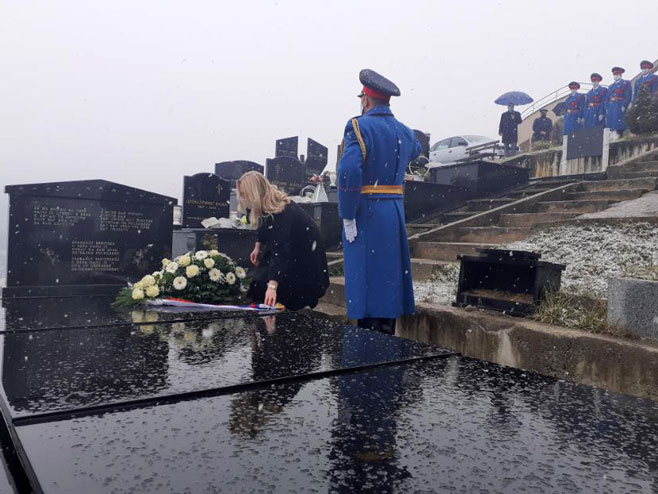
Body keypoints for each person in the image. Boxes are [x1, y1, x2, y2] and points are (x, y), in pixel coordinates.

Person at [337, 68, 421, 335]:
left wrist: (348, 213)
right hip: (393, 212)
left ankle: (366, 344)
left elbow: (348, 172)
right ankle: (386, 339)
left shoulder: (358, 126)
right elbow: (416, 150)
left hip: (367, 211)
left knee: (366, 280)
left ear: (365, 100)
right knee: (388, 280)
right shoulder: (405, 132)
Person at [237, 171, 329, 310]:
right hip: (293, 254)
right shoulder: (269, 205)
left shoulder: (282, 211)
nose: (243, 199)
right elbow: (264, 225)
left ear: (255, 193)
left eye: (245, 195)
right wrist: (257, 246)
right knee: (258, 282)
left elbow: (280, 251)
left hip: (305, 264)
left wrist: (272, 286)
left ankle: (279, 318)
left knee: (265, 286)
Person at [605, 67, 632, 138]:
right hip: (611, 107)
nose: (615, 76)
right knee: (611, 125)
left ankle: (619, 135)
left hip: (619, 106)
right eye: (614, 74)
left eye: (617, 74)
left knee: (619, 124)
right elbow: (607, 99)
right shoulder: (611, 86)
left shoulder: (625, 83)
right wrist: (607, 107)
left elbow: (628, 95)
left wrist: (624, 105)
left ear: (620, 74)